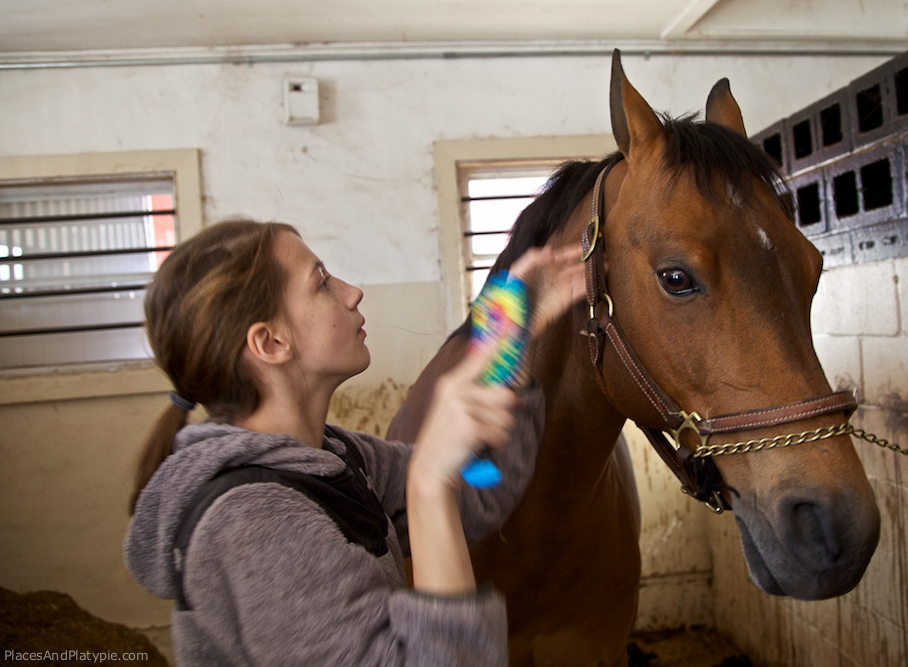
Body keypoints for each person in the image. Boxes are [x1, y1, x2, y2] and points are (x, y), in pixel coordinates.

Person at [123, 218, 585, 665]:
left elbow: (481, 489)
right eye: (322, 282)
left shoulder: (338, 459)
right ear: (271, 343)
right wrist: (427, 486)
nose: (352, 292)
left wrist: (511, 342)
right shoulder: (251, 522)